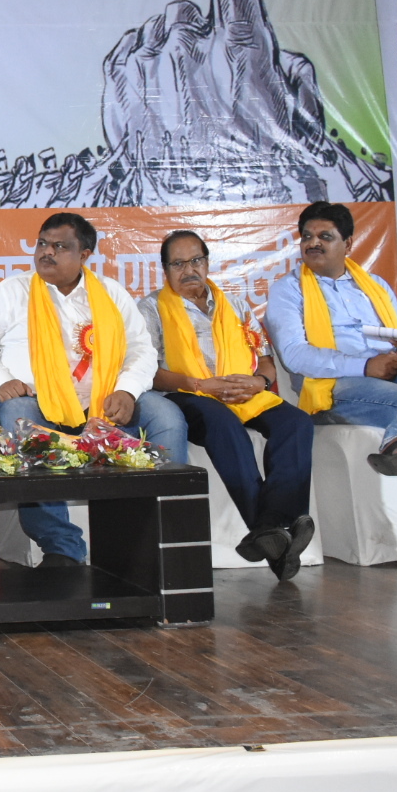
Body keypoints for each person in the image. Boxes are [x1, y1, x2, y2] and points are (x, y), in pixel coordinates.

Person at [0, 213, 186, 566]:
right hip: (34, 402)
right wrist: (0, 380)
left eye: (59, 246)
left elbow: (142, 350)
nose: (46, 252)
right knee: (18, 416)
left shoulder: (111, 293)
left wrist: (127, 390)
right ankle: (61, 547)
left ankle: (168, 534)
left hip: (104, 402)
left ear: (84, 255)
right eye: (42, 243)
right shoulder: (13, 291)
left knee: (166, 416)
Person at [268, 201, 397, 577]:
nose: (313, 243)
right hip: (333, 388)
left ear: (348, 243)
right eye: (307, 236)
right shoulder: (288, 290)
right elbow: (295, 355)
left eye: (325, 236)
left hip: (389, 377)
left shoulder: (374, 286)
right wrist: (366, 366)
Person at [138, 230, 316, 580]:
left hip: (244, 392)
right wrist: (199, 385)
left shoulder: (235, 304)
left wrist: (259, 382)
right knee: (222, 422)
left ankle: (269, 528)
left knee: (297, 423)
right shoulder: (151, 308)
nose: (188, 270)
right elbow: (148, 371)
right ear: (165, 269)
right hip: (188, 395)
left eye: (195, 260)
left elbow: (265, 359)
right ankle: (276, 529)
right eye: (178, 264)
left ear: (207, 263)